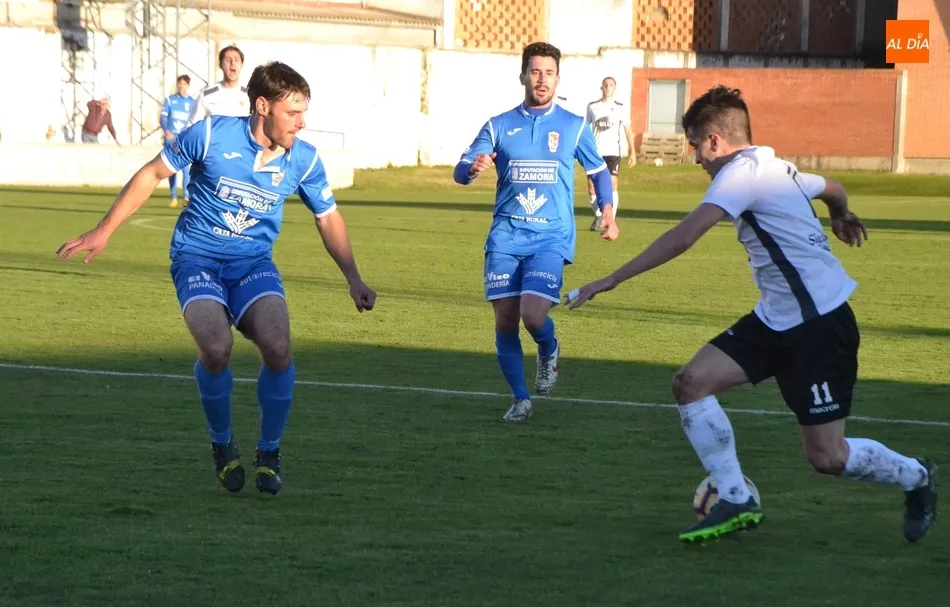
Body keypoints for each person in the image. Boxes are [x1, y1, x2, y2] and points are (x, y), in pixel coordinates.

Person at [566, 85, 937, 544]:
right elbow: (833, 188)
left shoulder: (741, 173)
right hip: (775, 318)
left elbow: (684, 236)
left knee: (828, 457)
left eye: (697, 146)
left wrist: (611, 279)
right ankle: (736, 497)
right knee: (690, 384)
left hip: (819, 326)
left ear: (716, 141)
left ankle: (917, 476)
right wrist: (841, 213)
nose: (697, 159)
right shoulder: (777, 168)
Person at [56, 61, 377, 496]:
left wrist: (353, 277)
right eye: (293, 112)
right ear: (262, 106)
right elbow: (152, 173)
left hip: (252, 263)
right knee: (216, 348)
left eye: (304, 112)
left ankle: (269, 452)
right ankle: (222, 443)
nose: (302, 122)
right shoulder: (210, 134)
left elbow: (328, 217)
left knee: (279, 348)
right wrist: (104, 230)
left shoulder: (304, 159)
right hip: (197, 259)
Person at [452, 41, 618, 423]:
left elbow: (598, 172)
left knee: (533, 315)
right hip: (506, 236)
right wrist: (473, 168)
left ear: (558, 79)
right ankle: (521, 399)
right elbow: (461, 170)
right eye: (535, 72)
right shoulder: (497, 125)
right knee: (505, 321)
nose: (542, 79)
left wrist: (607, 211)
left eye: (549, 73)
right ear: (523, 76)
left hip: (550, 237)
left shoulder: (574, 126)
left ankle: (548, 347)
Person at [585, 77, 635, 232]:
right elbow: (585, 129)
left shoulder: (620, 108)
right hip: (595, 153)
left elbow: (628, 130)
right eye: (605, 85)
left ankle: (610, 220)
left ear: (614, 88)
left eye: (611, 85)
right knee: (592, 188)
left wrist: (633, 152)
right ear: (601, 87)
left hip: (613, 152)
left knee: (612, 185)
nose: (608, 87)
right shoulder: (592, 107)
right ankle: (598, 215)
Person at [188, 45, 250, 124]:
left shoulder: (248, 95)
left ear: (242, 65)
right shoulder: (206, 95)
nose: (232, 63)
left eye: (236, 60)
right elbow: (192, 125)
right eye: (228, 60)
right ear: (220, 65)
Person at [161, 75, 196, 208]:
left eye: (184, 84)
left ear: (188, 85)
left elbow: (196, 121)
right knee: (172, 169)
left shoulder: (193, 102)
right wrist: (167, 130)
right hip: (172, 140)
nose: (182, 87)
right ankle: (173, 196)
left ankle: (186, 196)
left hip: (185, 140)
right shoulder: (170, 100)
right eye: (180, 84)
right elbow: (163, 118)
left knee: (186, 169)